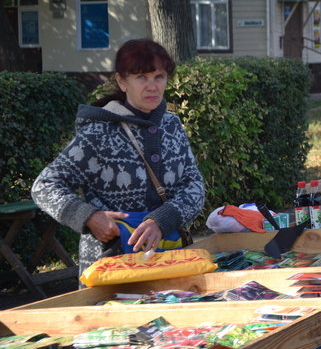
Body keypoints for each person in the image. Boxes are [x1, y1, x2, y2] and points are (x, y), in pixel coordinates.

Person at [32, 39, 205, 279]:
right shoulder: (99, 133)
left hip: (168, 260)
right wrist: (88, 216)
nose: (152, 87)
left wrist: (162, 220)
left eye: (159, 77)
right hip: (110, 267)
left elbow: (194, 186)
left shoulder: (172, 125)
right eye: (141, 78)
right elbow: (45, 186)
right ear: (121, 81)